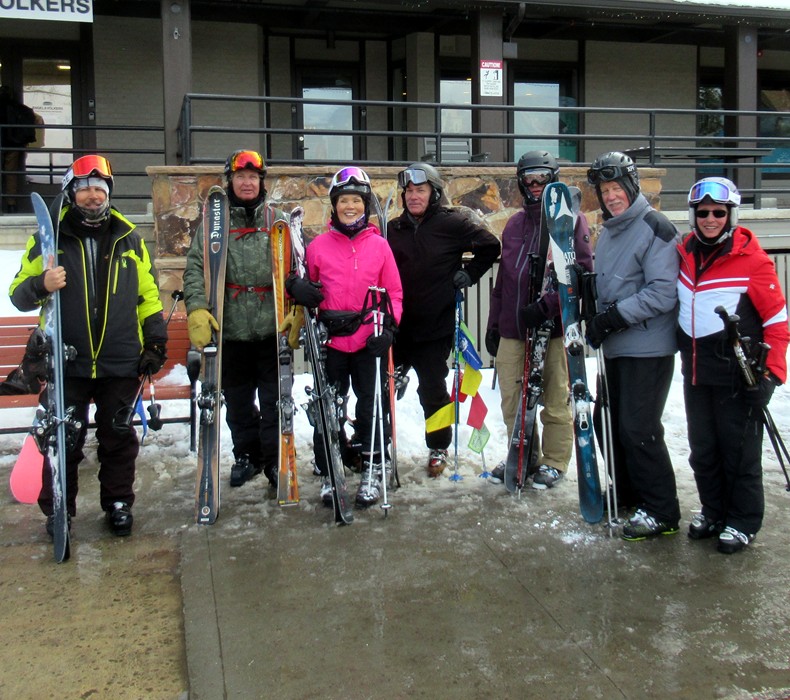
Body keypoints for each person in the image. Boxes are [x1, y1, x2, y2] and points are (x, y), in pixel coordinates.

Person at [9, 154, 168, 537]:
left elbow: (147, 295)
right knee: (64, 438)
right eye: (84, 189)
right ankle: (58, 508)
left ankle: (118, 503)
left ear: (108, 193)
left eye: (99, 188)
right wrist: (41, 285)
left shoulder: (129, 237)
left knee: (118, 437)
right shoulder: (49, 239)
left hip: (120, 359)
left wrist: (155, 340)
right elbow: (17, 293)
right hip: (68, 360)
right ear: (71, 193)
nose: (93, 195)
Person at [678, 177, 789, 554]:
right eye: (703, 212)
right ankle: (714, 510)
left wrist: (772, 375)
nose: (710, 219)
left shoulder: (753, 261)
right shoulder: (685, 253)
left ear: (731, 215)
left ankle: (742, 520)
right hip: (696, 371)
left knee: (738, 451)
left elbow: (778, 323)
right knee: (703, 449)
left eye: (718, 212)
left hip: (737, 376)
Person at [286, 167, 403, 507]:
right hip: (331, 341)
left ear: (365, 205)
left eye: (356, 201)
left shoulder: (379, 246)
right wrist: (297, 288)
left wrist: (390, 328)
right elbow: (303, 283)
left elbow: (394, 293)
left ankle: (372, 466)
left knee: (370, 406)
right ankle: (328, 468)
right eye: (343, 201)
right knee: (329, 407)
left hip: (368, 339)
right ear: (334, 206)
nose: (350, 207)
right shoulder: (319, 247)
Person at [586, 151, 681, 541]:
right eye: (604, 190)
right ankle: (628, 492)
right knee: (605, 422)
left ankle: (661, 509)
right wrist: (589, 295)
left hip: (648, 347)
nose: (611, 197)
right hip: (617, 347)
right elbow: (614, 282)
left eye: (616, 188)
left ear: (632, 185)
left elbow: (663, 292)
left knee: (638, 428)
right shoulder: (611, 230)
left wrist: (613, 317)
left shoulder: (655, 226)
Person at [486, 151, 593, 489]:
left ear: (553, 180)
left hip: (553, 328)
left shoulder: (571, 221)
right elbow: (504, 280)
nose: (534, 185)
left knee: (554, 397)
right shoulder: (514, 225)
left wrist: (546, 307)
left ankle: (555, 460)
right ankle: (523, 453)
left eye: (542, 178)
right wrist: (494, 323)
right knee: (512, 398)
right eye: (528, 179)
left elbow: (579, 273)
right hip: (514, 327)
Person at [386, 163, 500, 477]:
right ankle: (375, 444)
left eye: (420, 190)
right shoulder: (393, 229)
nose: (413, 196)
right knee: (383, 386)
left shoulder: (452, 224)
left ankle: (438, 446)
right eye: (409, 191)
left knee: (432, 390)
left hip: (434, 327)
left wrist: (470, 273)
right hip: (396, 327)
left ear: (434, 193)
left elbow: (491, 246)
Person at [183, 149, 285, 491]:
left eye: (253, 177)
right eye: (240, 177)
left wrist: (296, 308)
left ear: (261, 182)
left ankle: (273, 459)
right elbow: (195, 268)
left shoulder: (277, 220)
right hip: (231, 331)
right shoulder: (215, 225)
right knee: (238, 402)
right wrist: (197, 308)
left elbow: (295, 266)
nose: (247, 183)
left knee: (273, 402)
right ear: (230, 181)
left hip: (270, 330)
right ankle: (247, 455)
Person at [0, 85, 37, 213]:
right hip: (13, 145)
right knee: (11, 175)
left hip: (5, 143)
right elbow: (36, 119)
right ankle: (12, 205)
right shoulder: (19, 108)